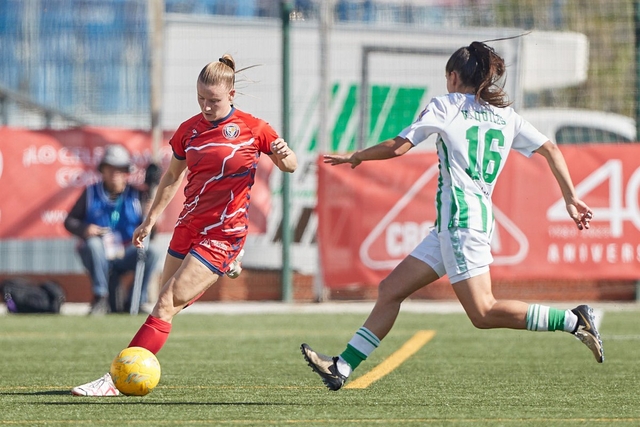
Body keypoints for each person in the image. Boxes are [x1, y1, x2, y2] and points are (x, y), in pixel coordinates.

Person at [300, 40, 603, 391]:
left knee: (483, 312)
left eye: (447, 78)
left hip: (460, 222)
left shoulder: (446, 106)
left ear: (453, 76)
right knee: (391, 290)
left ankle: (573, 319)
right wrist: (571, 197)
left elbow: (399, 145)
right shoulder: (505, 116)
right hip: (457, 225)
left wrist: (357, 156)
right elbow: (550, 148)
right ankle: (343, 366)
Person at [71, 53, 297, 396]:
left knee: (164, 305)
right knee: (170, 303)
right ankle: (225, 267)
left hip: (223, 234)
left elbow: (291, 164)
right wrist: (150, 219)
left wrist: (283, 155)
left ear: (232, 96)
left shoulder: (255, 129)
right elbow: (172, 177)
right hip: (188, 226)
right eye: (201, 99)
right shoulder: (188, 131)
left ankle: (115, 380)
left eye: (214, 100)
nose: (206, 107)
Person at [64, 144, 161, 315]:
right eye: (110, 169)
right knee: (93, 245)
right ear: (103, 170)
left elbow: (151, 236)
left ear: (126, 172)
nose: (115, 174)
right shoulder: (91, 192)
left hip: (126, 252)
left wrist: (150, 218)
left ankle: (136, 301)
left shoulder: (137, 196)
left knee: (152, 251)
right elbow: (69, 221)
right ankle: (100, 298)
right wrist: (85, 228)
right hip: (99, 253)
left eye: (120, 170)